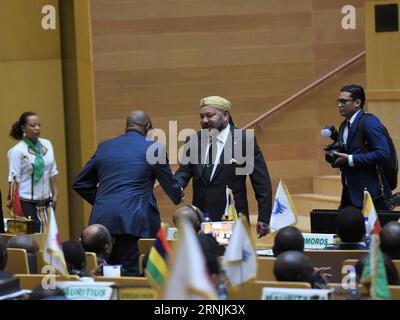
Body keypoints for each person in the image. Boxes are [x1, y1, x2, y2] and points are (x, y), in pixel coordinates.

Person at [73, 110, 182, 276]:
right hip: (136, 223)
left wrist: (104, 200)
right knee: (133, 274)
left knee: (105, 273)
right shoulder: (154, 148)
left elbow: (80, 183)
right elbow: (171, 188)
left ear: (127, 127)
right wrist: (178, 194)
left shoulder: (104, 147)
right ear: (148, 127)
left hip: (103, 224)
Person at [175, 96, 272, 238]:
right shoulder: (194, 140)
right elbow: (184, 172)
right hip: (202, 219)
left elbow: (261, 182)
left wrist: (264, 217)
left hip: (232, 219)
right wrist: (176, 186)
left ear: (225, 115)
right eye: (201, 116)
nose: (204, 121)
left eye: (210, 115)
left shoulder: (244, 140)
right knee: (205, 259)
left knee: (230, 260)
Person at [332, 85, 392, 210]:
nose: (339, 105)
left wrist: (350, 159)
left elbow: (382, 154)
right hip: (350, 193)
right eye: (339, 101)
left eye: (343, 101)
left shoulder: (370, 122)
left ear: (357, 103)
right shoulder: (344, 124)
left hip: (370, 194)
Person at [7, 112, 58, 233]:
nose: (37, 128)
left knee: (49, 238)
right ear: (23, 128)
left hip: (47, 202)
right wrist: (15, 208)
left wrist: (55, 194)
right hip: (27, 203)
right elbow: (14, 181)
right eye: (33, 125)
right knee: (33, 239)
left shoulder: (47, 144)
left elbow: (52, 170)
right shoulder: (17, 150)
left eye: (39, 125)